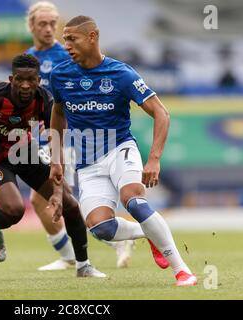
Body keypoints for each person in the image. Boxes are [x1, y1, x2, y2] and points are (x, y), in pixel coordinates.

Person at [49, 16, 197, 286]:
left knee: (134, 200)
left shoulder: (122, 73)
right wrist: (56, 161)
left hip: (120, 149)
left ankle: (183, 270)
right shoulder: (60, 75)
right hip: (87, 163)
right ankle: (149, 232)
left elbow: (161, 113)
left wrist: (154, 159)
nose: (66, 44)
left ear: (92, 37)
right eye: (64, 39)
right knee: (101, 229)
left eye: (72, 38)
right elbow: (57, 115)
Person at [0, 53, 106, 278]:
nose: (25, 85)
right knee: (15, 210)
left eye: (31, 80)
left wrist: (58, 188)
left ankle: (83, 266)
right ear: (11, 79)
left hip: (25, 154)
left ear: (38, 80)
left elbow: (55, 137)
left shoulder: (44, 100)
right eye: (20, 79)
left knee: (70, 205)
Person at [25, 1, 133, 270]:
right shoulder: (28, 57)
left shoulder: (67, 55)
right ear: (31, 26)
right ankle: (78, 252)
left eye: (53, 23)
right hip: (42, 135)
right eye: (43, 24)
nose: (49, 29)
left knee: (53, 197)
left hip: (69, 136)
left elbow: (88, 90)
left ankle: (100, 244)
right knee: (44, 198)